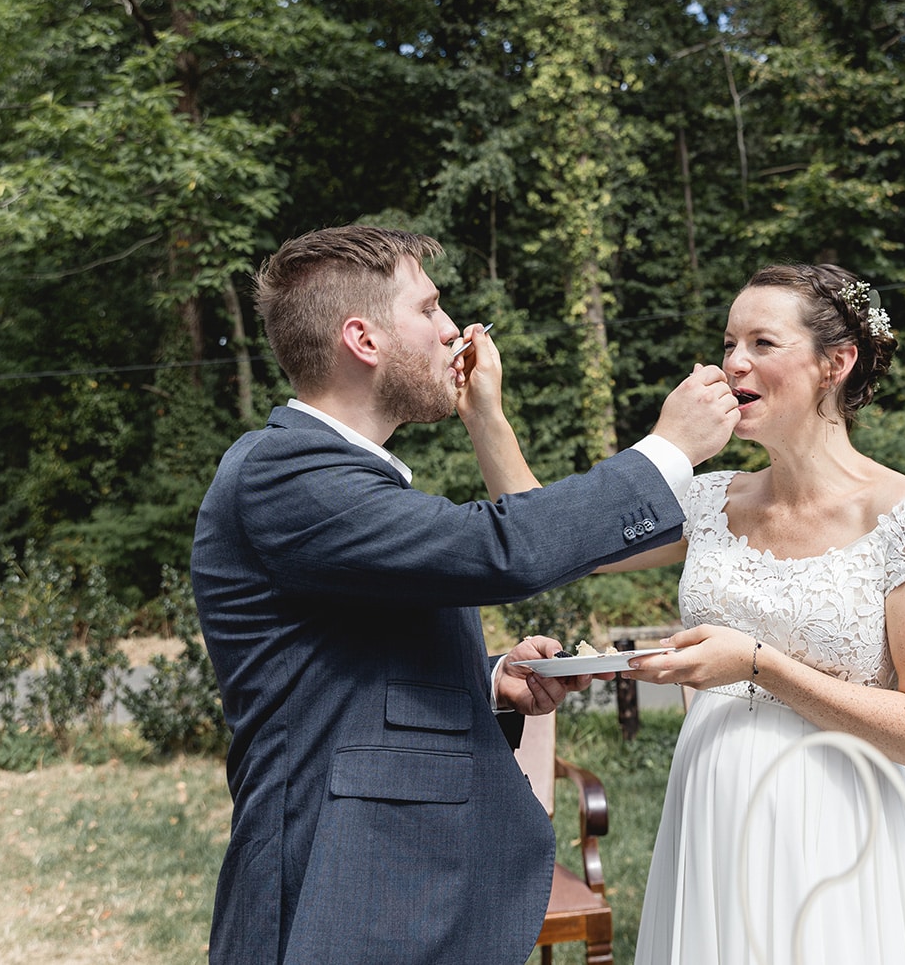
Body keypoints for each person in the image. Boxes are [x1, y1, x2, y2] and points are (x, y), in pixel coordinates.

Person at [188, 224, 739, 965]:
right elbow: (500, 547)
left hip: (397, 882)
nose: (454, 330)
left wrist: (490, 681)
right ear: (364, 338)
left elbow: (349, 662)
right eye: (429, 308)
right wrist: (667, 450)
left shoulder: (343, 476)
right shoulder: (285, 472)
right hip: (340, 886)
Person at [613, 263, 905, 963]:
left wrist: (756, 664)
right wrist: (486, 412)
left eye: (761, 343)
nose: (731, 364)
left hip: (838, 829)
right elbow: (555, 541)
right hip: (708, 815)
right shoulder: (710, 500)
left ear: (836, 362)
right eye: (727, 342)